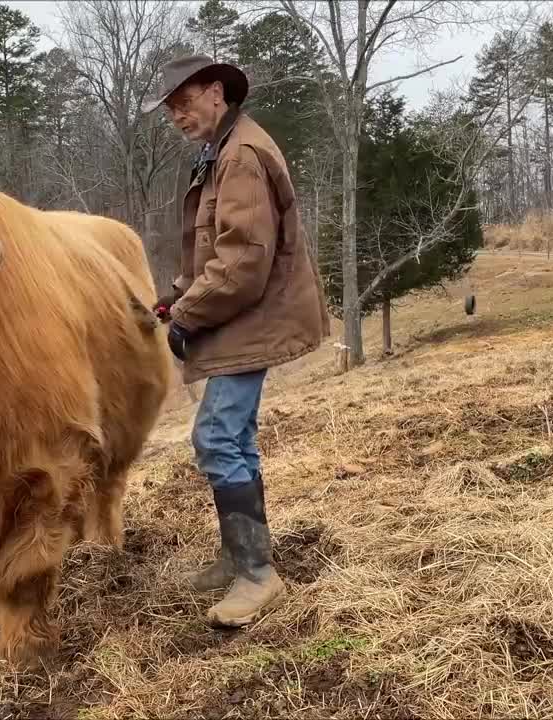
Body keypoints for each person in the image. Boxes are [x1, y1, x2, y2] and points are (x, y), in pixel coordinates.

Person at [142, 55, 328, 627]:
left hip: (252, 318)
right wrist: (173, 296)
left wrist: (186, 319)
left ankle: (256, 575)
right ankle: (240, 554)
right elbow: (212, 249)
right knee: (235, 437)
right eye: (170, 109)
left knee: (217, 436)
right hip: (242, 315)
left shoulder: (241, 156)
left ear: (216, 93)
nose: (177, 116)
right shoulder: (220, 152)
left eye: (184, 102)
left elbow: (244, 261)